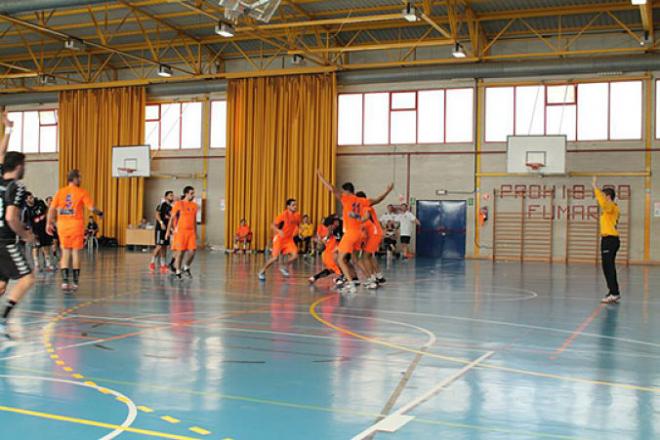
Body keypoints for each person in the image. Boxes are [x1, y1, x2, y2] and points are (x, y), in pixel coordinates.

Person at [316, 169, 393, 294]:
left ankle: (350, 283)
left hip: (351, 233)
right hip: (359, 234)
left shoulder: (346, 198)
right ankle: (363, 280)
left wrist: (321, 178)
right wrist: (388, 191)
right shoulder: (362, 201)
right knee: (355, 259)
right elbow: (378, 200)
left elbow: (331, 188)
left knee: (339, 259)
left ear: (346, 191)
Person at [0, 148, 37, 340]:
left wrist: (8, 129)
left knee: (1, 284)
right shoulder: (17, 187)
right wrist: (25, 235)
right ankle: (3, 321)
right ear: (19, 166)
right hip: (5, 240)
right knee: (28, 278)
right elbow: (10, 217)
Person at [47, 169, 104, 291]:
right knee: (75, 253)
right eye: (80, 178)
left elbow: (52, 209)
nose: (81, 180)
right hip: (76, 226)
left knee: (65, 252)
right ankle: (75, 283)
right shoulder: (82, 192)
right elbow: (92, 208)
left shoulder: (60, 192)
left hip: (62, 226)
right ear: (75, 179)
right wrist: (100, 213)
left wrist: (49, 222)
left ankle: (65, 282)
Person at [592, 177, 621, 304]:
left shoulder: (611, 207)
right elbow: (603, 203)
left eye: (604, 195)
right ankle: (613, 291)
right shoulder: (609, 207)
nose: (602, 197)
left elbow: (603, 203)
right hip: (608, 240)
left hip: (610, 240)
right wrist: (595, 187)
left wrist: (595, 187)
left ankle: (614, 293)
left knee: (608, 267)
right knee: (607, 267)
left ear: (608, 196)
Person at [258, 199, 301, 281]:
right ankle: (262, 271)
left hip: (289, 239)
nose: (295, 207)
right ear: (288, 206)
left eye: (295, 205)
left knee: (295, 255)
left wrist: (299, 230)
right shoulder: (283, 215)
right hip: (280, 239)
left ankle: (283, 266)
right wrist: (279, 231)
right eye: (293, 205)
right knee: (275, 258)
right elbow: (272, 225)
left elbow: (298, 224)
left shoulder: (297, 215)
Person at [166, 186, 198, 280]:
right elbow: (172, 218)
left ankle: (186, 266)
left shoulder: (194, 205)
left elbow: (194, 220)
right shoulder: (179, 204)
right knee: (180, 252)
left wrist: (196, 232)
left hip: (191, 232)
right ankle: (178, 271)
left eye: (193, 193)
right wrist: (168, 231)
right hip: (180, 232)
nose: (193, 195)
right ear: (186, 193)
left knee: (192, 252)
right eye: (191, 193)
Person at [357, 191, 386, 287]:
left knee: (364, 257)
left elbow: (366, 217)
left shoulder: (366, 207)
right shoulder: (365, 208)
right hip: (374, 234)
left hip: (374, 234)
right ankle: (378, 276)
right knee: (369, 256)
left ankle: (372, 279)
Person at [23, 192, 54, 271]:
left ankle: (48, 264)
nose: (32, 199)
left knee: (45, 246)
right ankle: (37, 265)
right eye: (30, 198)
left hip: (44, 228)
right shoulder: (26, 209)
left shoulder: (40, 203)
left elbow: (46, 211)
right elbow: (25, 222)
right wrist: (29, 232)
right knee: (35, 247)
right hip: (35, 231)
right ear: (26, 200)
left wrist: (48, 221)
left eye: (32, 197)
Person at [309, 216, 342, 284]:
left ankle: (314, 277)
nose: (337, 222)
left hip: (327, 255)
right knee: (343, 270)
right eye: (336, 221)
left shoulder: (332, 233)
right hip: (331, 255)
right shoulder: (332, 230)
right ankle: (339, 280)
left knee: (331, 270)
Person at [150, 191, 174, 273]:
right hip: (160, 229)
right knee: (159, 246)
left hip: (166, 230)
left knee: (164, 247)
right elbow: (157, 214)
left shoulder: (171, 207)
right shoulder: (162, 205)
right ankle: (152, 262)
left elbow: (171, 219)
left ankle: (163, 265)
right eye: (171, 195)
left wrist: (171, 229)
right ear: (166, 196)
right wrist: (161, 222)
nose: (172, 197)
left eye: (173, 195)